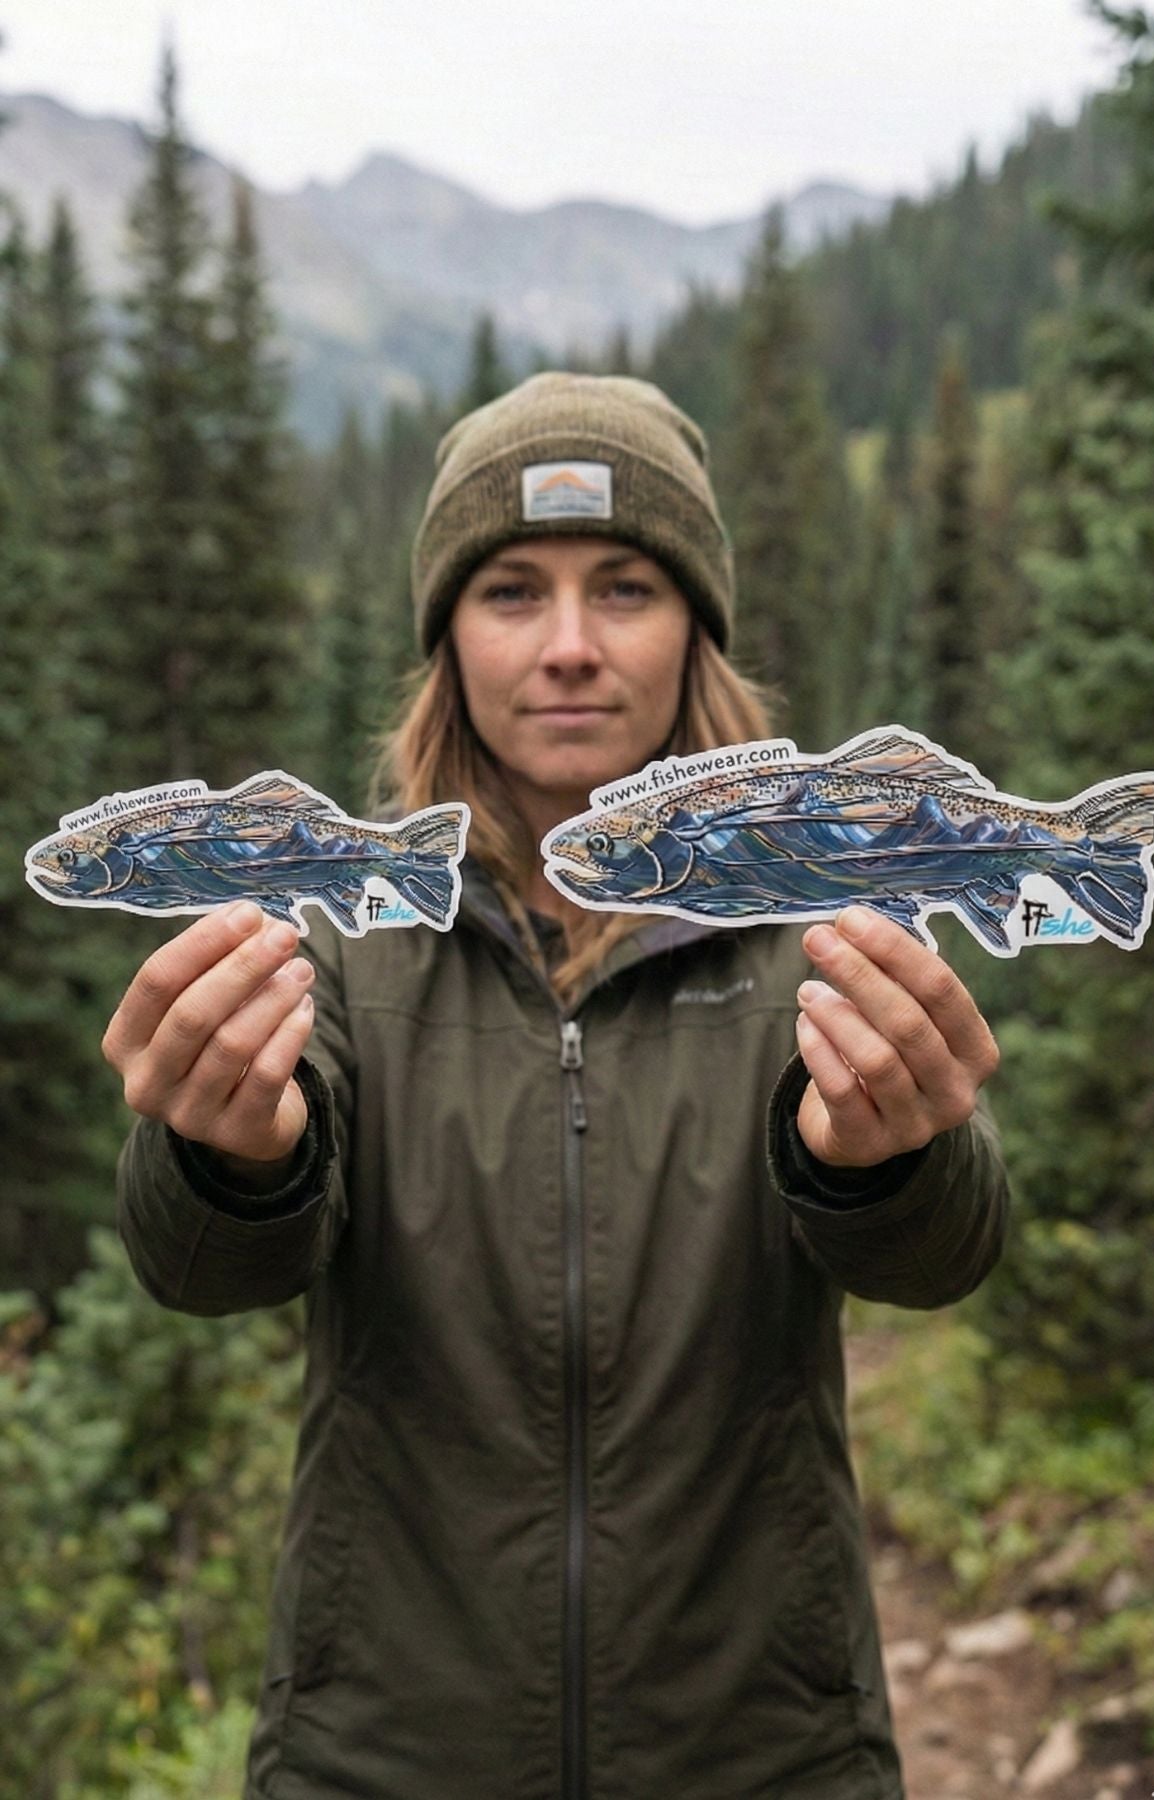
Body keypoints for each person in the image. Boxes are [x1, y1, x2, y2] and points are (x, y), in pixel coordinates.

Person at [105, 372, 1008, 1800]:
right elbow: (199, 1262)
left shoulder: (814, 918)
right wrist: (234, 1155)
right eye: (513, 591)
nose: (572, 647)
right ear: (446, 638)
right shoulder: (345, 922)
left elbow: (944, 1252)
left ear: (696, 630)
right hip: (382, 1755)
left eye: (628, 589)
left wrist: (884, 1160)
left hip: (762, 1750)